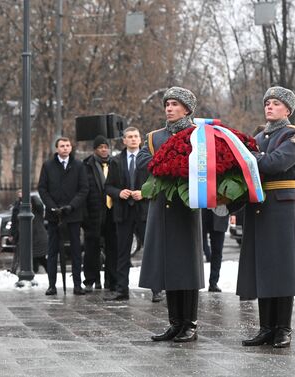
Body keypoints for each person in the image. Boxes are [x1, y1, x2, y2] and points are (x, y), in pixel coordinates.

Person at [237, 86, 295, 348]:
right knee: (263, 267)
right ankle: (266, 327)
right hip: (260, 205)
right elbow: (255, 163)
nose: (269, 107)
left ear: (287, 110)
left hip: (282, 206)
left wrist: (254, 157)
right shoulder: (258, 137)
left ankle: (283, 329)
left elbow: (274, 163)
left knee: (282, 268)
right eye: (267, 103)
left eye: (276, 103)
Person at [137, 87, 204, 342]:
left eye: (175, 104)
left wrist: (166, 165)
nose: (169, 108)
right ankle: (175, 323)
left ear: (187, 109)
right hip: (161, 207)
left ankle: (190, 324)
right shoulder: (155, 137)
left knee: (187, 267)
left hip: (185, 207)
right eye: (167, 104)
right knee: (168, 267)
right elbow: (143, 161)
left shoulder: (197, 135)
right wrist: (166, 163)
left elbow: (201, 164)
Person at [104, 128, 151, 301]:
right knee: (122, 252)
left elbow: (156, 185)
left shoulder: (148, 159)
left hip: (143, 211)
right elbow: (108, 186)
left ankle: (156, 290)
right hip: (123, 212)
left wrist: (144, 193)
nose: (133, 139)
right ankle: (121, 289)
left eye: (136, 136)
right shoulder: (115, 161)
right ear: (123, 140)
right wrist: (118, 193)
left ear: (140, 139)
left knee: (150, 251)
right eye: (129, 137)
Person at [38, 137, 88, 295]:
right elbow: (42, 189)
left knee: (75, 251)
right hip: (54, 216)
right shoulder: (48, 166)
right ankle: (52, 285)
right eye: (62, 146)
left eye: (67, 145)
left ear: (71, 148)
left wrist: (71, 206)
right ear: (57, 148)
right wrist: (53, 207)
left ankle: (77, 285)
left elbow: (83, 189)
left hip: (73, 215)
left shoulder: (79, 166)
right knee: (52, 251)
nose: (65, 148)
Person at [82, 135, 115, 292]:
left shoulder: (115, 164)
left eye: (106, 147)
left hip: (112, 212)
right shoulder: (86, 165)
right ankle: (91, 280)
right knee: (91, 248)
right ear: (95, 149)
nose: (104, 150)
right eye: (101, 147)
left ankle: (110, 280)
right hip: (93, 213)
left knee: (112, 248)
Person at [9, 190, 48, 274]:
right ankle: (17, 271)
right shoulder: (17, 206)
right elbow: (14, 221)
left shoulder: (34, 203)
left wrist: (30, 198)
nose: (20, 194)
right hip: (25, 237)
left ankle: (44, 272)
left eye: (22, 192)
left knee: (40, 258)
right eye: (19, 192)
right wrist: (12, 234)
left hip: (37, 237)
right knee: (28, 258)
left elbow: (39, 205)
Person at [201, 209, 229, 292]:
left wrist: (229, 209)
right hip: (202, 211)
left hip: (220, 213)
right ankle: (195, 282)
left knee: (217, 251)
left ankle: (213, 283)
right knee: (196, 247)